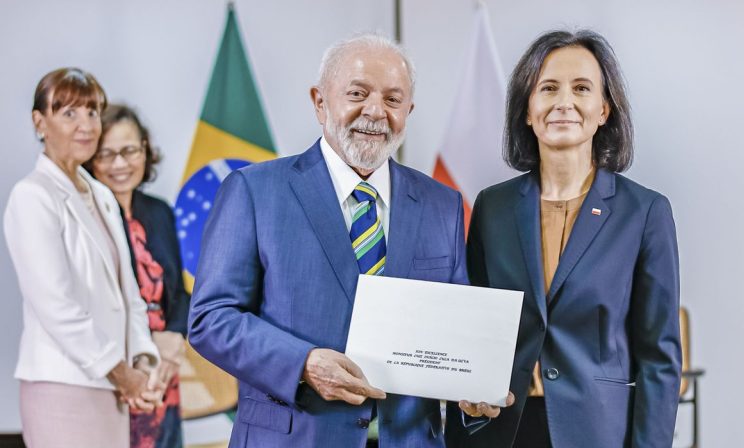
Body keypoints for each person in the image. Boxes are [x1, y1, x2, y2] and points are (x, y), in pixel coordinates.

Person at [188, 34, 502, 448]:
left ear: (408, 111)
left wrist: (472, 387)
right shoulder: (253, 190)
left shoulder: (441, 204)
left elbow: (454, 324)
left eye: (393, 100)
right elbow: (211, 317)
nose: (375, 112)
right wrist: (303, 363)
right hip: (294, 437)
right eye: (358, 93)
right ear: (320, 102)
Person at [445, 30, 682, 448]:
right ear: (528, 110)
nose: (564, 102)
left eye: (581, 88)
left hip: (597, 430)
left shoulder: (645, 212)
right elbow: (475, 327)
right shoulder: (492, 208)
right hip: (502, 428)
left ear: (604, 109)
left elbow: (659, 360)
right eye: (548, 88)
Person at [4, 68, 162, 448]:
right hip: (63, 385)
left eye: (92, 112)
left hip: (112, 387)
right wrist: (122, 373)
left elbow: (129, 296)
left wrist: (142, 361)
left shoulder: (101, 194)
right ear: (39, 122)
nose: (86, 125)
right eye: (69, 113)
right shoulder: (32, 195)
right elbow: (55, 305)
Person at [85, 104, 189, 448]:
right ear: (90, 159)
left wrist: (174, 338)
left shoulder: (158, 211)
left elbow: (179, 294)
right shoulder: (87, 218)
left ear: (145, 150)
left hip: (164, 373)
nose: (119, 164)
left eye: (129, 151)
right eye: (106, 154)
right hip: (118, 375)